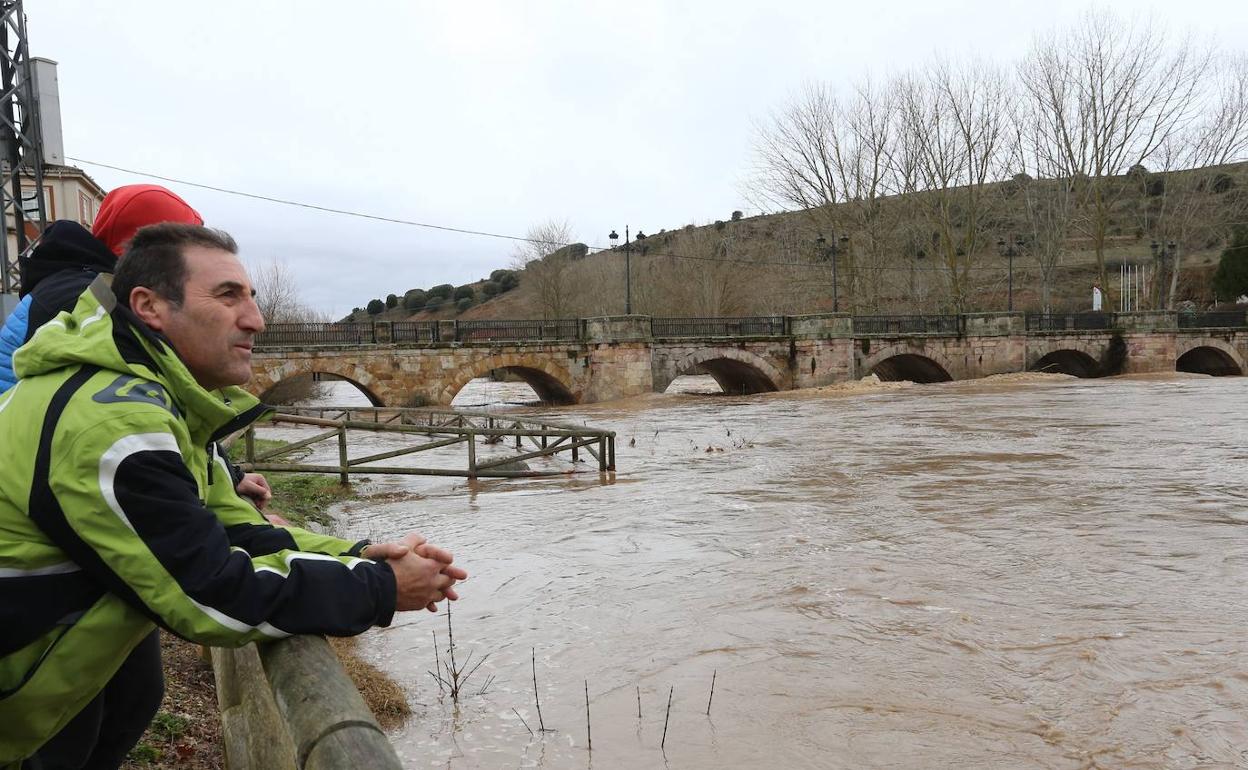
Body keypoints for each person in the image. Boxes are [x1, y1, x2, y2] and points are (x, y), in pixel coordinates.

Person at [0, 223, 468, 767]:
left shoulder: (150, 401)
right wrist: (381, 587)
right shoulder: (113, 426)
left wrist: (358, 555)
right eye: (227, 296)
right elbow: (210, 592)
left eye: (251, 297)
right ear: (149, 306)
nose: (256, 319)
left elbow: (234, 527)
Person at [0, 185, 273, 510]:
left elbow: (177, 407)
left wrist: (230, 474)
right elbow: (129, 417)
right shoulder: (86, 299)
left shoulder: (87, 288)